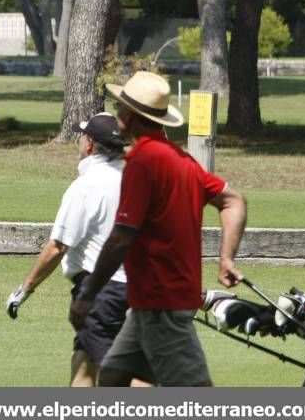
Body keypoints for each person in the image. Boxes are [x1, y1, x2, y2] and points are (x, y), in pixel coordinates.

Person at [68, 71, 247, 387]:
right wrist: (227, 259)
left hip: (162, 302)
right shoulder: (184, 161)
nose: (118, 113)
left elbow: (122, 237)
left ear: (133, 116)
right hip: (147, 303)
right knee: (112, 375)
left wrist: (89, 293)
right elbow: (234, 202)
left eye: (122, 107)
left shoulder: (141, 162)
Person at [6, 113, 127, 387]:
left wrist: (25, 289)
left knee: (120, 378)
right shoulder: (135, 179)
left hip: (101, 294)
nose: (79, 141)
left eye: (82, 136)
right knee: (83, 361)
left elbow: (58, 247)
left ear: (90, 145)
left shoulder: (85, 186)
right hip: (137, 289)